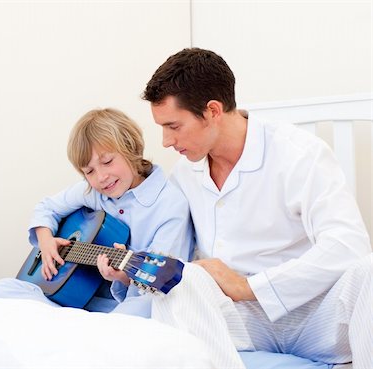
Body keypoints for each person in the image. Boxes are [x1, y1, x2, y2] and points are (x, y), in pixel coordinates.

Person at [142, 48, 372, 369]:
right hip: (240, 322)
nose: (166, 141)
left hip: (317, 314)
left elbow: (349, 245)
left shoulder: (300, 154)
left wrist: (249, 287)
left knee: (370, 271)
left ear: (212, 111)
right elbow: (173, 249)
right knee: (181, 280)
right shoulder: (184, 174)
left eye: (173, 126)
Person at [0, 107, 194, 317]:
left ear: (130, 148)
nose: (101, 177)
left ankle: (76, 328)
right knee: (3, 288)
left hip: (125, 303)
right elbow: (46, 207)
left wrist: (123, 277)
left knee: (141, 310)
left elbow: (162, 282)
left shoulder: (169, 204)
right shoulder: (92, 192)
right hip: (85, 300)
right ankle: (81, 328)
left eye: (107, 162)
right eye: (89, 171)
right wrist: (45, 240)